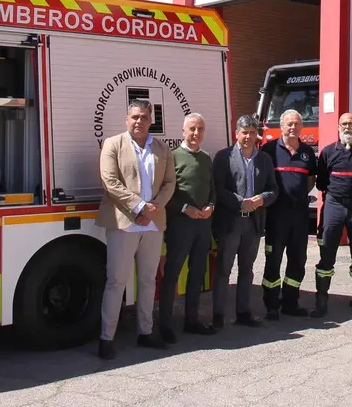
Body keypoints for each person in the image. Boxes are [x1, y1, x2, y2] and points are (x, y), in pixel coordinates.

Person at [96, 99, 177, 359]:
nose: (138, 121)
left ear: (151, 119)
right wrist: (141, 207)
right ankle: (106, 339)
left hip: (153, 225)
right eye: (134, 116)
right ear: (126, 119)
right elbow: (110, 182)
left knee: (147, 281)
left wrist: (154, 209)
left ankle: (145, 333)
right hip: (123, 223)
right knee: (116, 282)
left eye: (143, 116)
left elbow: (170, 182)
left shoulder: (161, 148)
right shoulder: (113, 144)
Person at [211, 114, 278, 328]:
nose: (248, 136)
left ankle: (243, 312)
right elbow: (218, 189)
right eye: (244, 132)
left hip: (253, 223)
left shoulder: (264, 159)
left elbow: (273, 189)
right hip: (231, 222)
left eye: (251, 133)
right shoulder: (224, 157)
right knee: (223, 269)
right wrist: (240, 202)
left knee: (247, 269)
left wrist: (262, 199)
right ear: (236, 133)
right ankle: (218, 314)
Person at [158, 113, 217, 343]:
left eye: (200, 129)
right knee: (171, 274)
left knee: (197, 274)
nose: (196, 133)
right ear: (183, 131)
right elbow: (165, 193)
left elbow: (212, 189)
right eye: (192, 129)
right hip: (180, 225)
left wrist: (211, 205)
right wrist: (185, 209)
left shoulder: (206, 158)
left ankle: (191, 320)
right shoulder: (172, 157)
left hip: (203, 225)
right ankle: (164, 325)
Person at [312, 112, 352, 318]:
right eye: (344, 124)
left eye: (351, 124)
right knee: (327, 253)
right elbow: (321, 182)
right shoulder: (328, 152)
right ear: (338, 127)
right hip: (334, 205)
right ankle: (321, 301)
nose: (348, 127)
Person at [259, 109, 317, 320]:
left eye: (296, 124)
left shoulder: (307, 153)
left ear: (301, 127)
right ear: (281, 126)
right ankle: (271, 305)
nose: (293, 128)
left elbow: (310, 180)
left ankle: (290, 302)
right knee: (273, 260)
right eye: (289, 124)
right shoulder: (269, 150)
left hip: (299, 216)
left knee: (297, 260)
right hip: (276, 216)